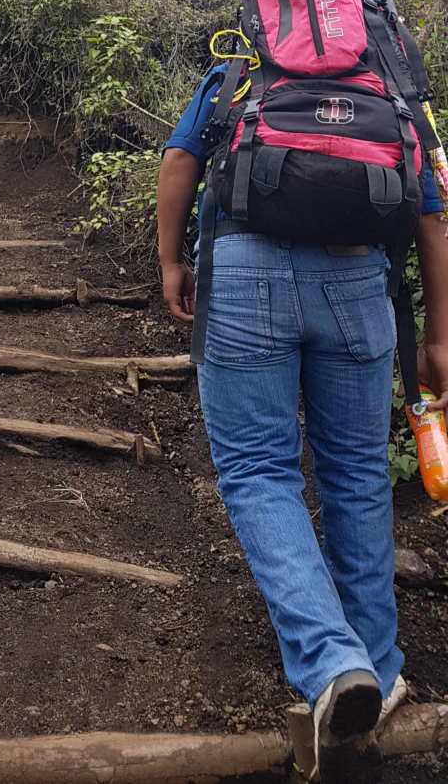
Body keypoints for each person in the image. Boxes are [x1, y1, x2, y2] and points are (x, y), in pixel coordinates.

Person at [157, 64, 448, 784]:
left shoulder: (237, 73)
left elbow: (180, 160)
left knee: (260, 470)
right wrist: (439, 332)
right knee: (355, 471)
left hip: (243, 273)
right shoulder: (391, 87)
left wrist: (169, 259)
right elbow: (431, 213)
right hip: (358, 281)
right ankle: (378, 665)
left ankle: (334, 662)